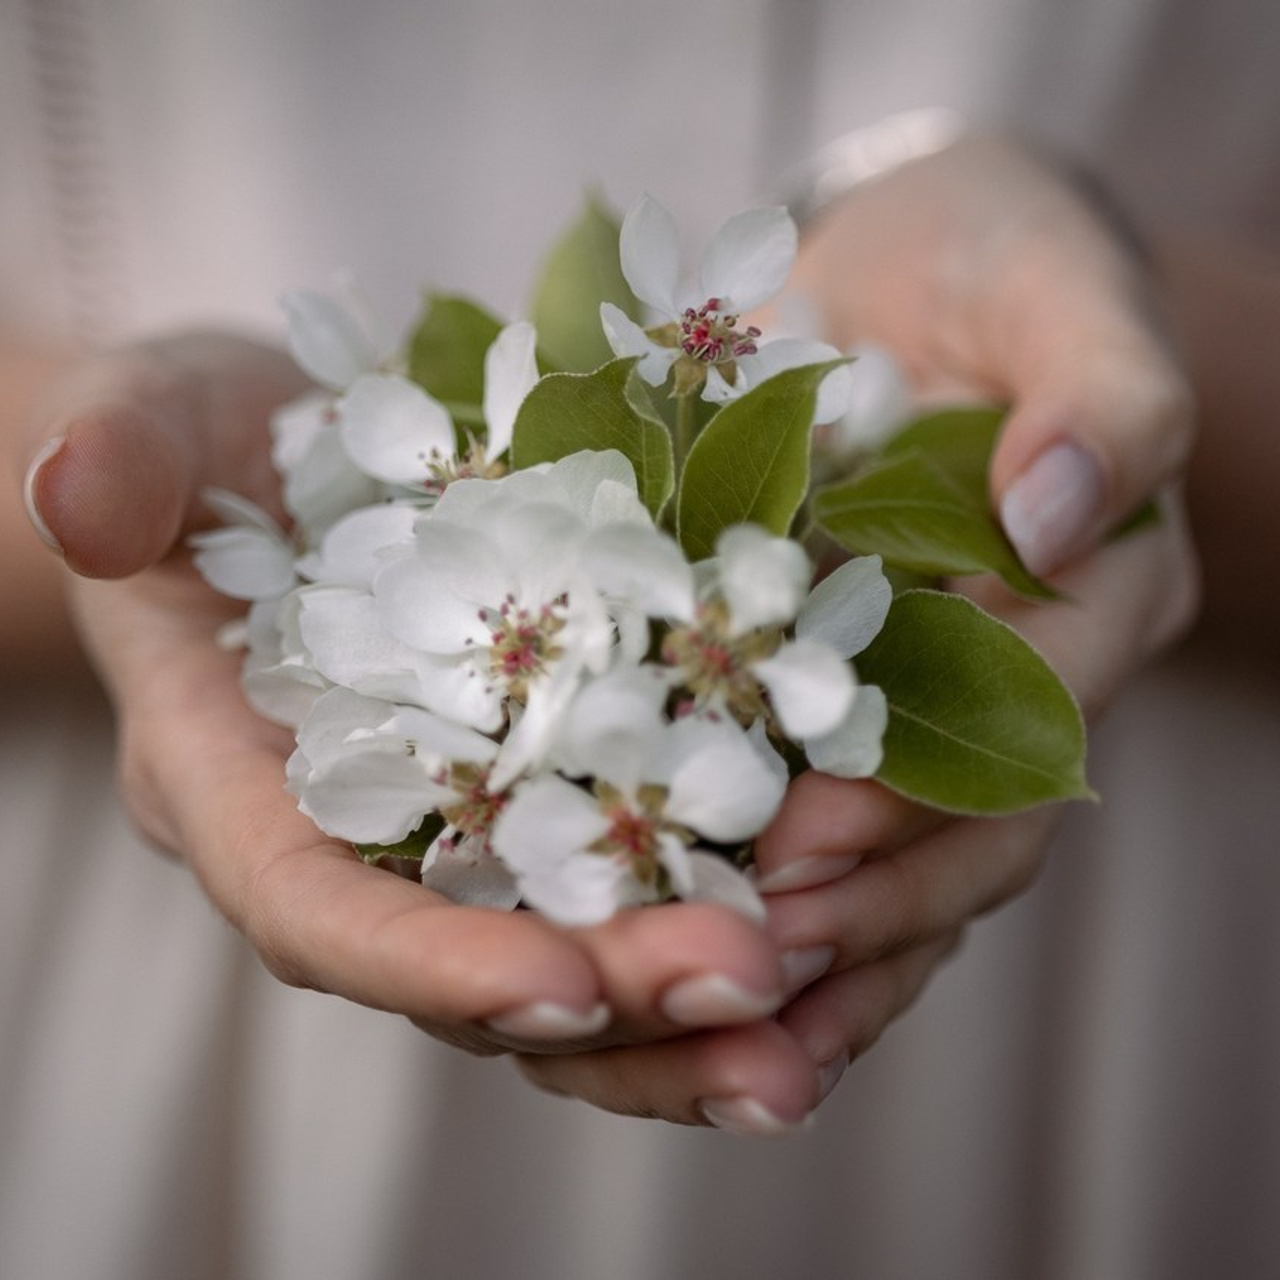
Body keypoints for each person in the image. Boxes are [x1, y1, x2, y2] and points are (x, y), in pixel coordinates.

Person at [2, 4, 1277, 1276]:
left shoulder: (675, 598)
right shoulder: (499, 629)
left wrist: (1131, 361)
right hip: (154, 947)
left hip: (1115, 907)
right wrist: (111, 519)